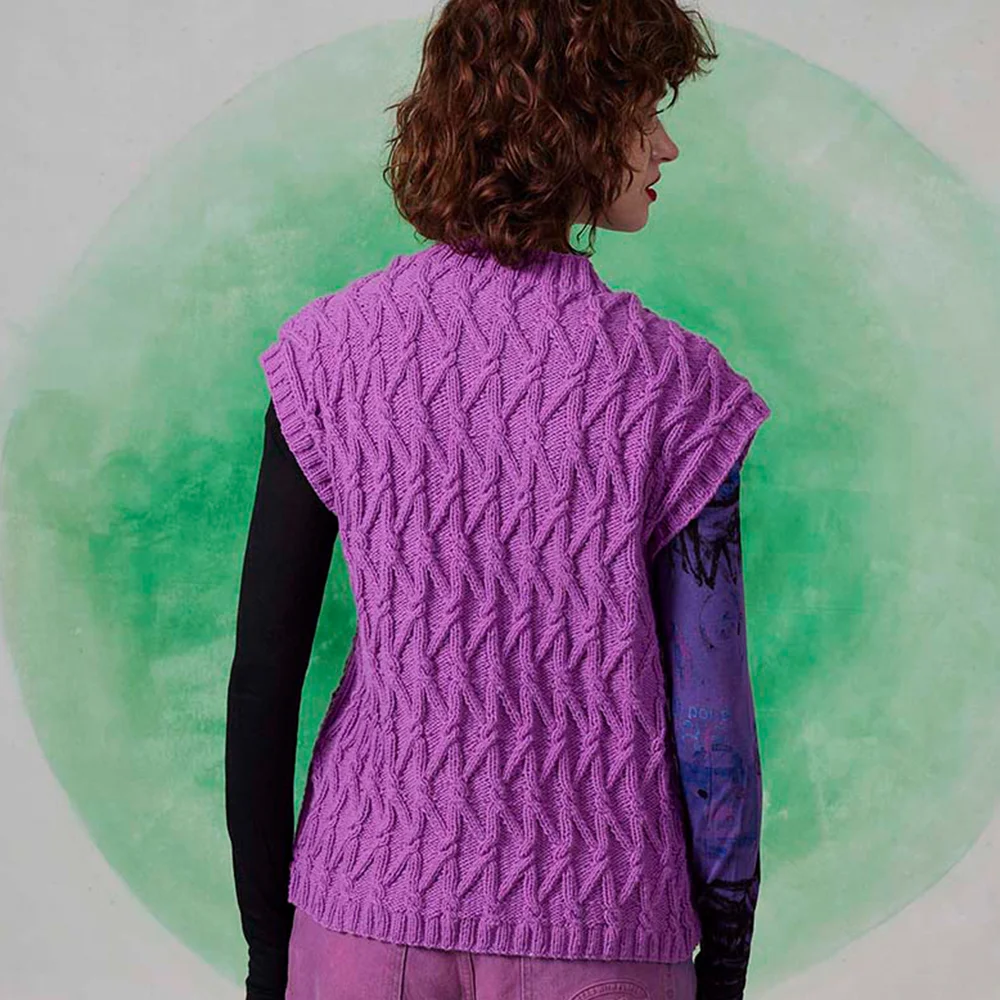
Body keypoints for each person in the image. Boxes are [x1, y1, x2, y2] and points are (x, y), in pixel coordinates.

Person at [225, 2, 771, 998]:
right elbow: (711, 728)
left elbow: (264, 678)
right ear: (573, 122)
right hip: (605, 930)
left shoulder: (327, 357)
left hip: (360, 917)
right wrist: (726, 964)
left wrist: (270, 949)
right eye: (644, 111)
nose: (667, 146)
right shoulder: (677, 391)